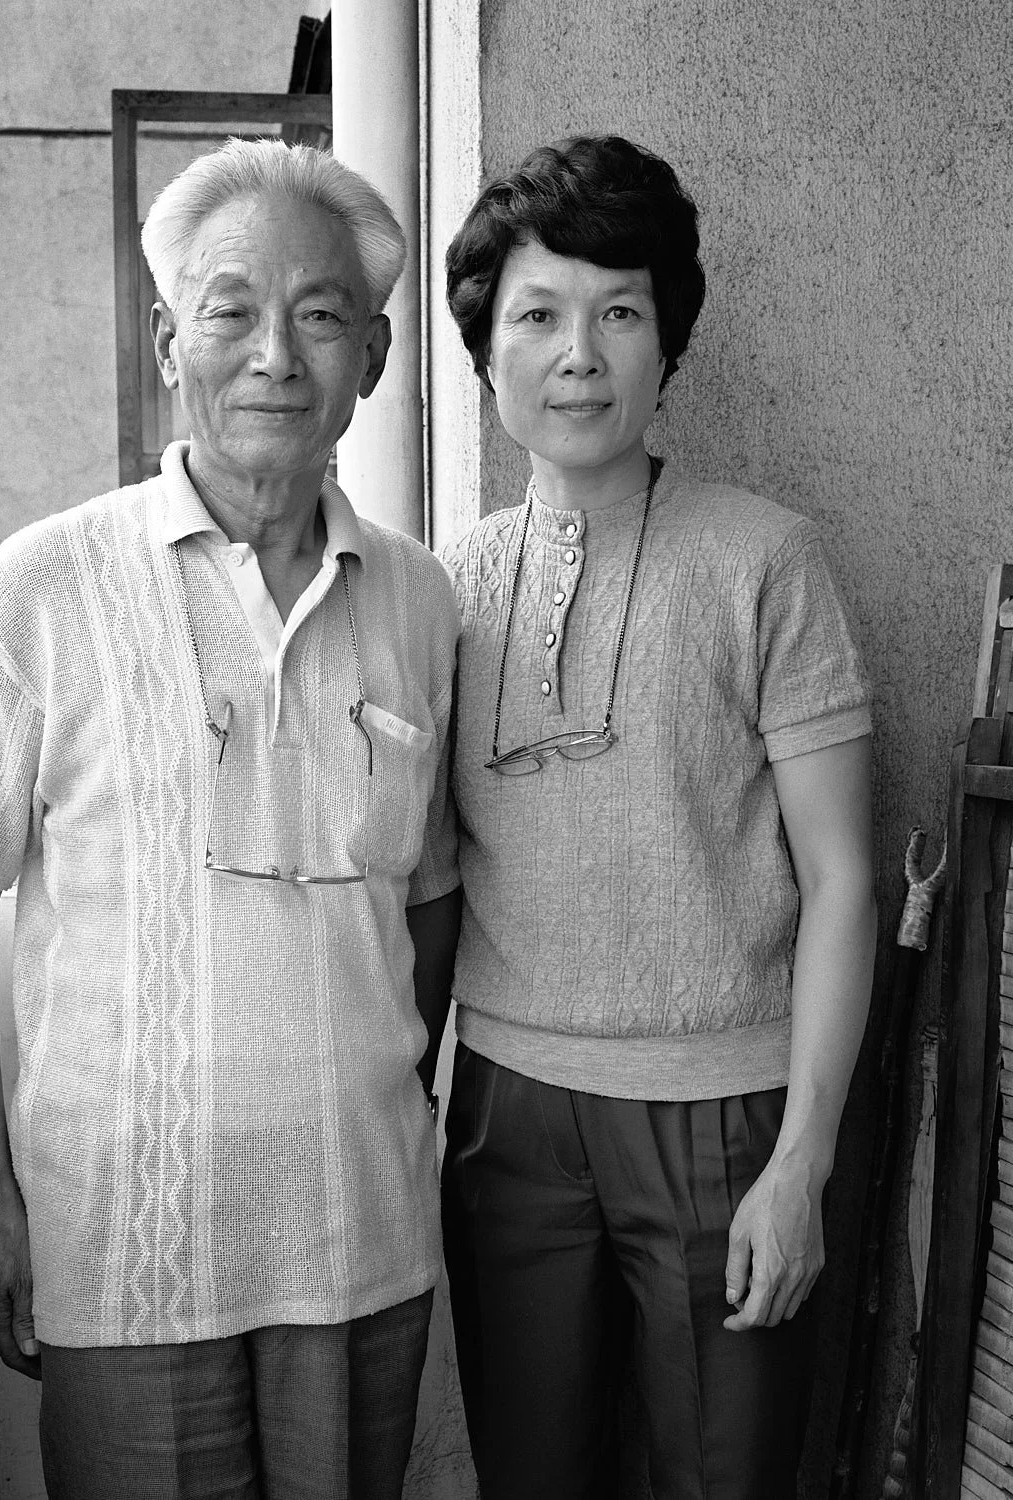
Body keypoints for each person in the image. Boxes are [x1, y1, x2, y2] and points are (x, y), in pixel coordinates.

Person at [0, 137, 461, 1500]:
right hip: (120, 1249)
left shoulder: (421, 600)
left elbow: (430, 900)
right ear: (169, 342)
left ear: (374, 358)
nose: (276, 353)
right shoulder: (42, 583)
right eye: (231, 311)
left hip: (361, 1242)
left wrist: (369, 1088)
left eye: (321, 315)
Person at [437, 134, 877, 1499]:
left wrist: (803, 1162)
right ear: (487, 350)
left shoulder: (768, 558)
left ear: (667, 340)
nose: (581, 354)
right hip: (505, 1117)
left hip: (725, 1119)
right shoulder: (438, 588)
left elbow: (848, 882)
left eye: (619, 312)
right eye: (540, 316)